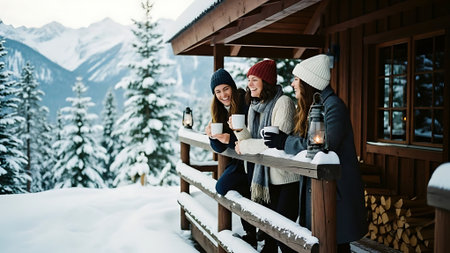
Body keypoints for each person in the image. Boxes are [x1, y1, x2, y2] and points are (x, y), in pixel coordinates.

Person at [263, 54, 368, 252]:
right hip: (322, 188)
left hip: (336, 190)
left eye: (296, 79)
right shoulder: (316, 105)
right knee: (327, 242)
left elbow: (323, 145)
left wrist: (285, 141)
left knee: (335, 243)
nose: (293, 83)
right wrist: (284, 137)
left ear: (309, 82)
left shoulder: (333, 106)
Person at [232, 59, 300, 253]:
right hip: (265, 181)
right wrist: (239, 130)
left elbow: (275, 142)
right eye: (249, 80)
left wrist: (245, 145)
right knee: (269, 238)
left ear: (266, 82)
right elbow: (250, 140)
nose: (249, 84)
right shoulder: (255, 106)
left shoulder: (283, 103)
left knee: (285, 237)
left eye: (254, 79)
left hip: (285, 180)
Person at [204, 68, 256, 247]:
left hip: (251, 160)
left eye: (225, 89)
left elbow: (251, 133)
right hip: (239, 162)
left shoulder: (244, 103)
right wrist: (213, 136)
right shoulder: (219, 109)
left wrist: (230, 139)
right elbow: (219, 147)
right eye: (217, 91)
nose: (222, 95)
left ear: (232, 87)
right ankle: (251, 232)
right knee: (226, 187)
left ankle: (253, 233)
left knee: (232, 187)